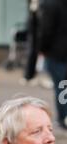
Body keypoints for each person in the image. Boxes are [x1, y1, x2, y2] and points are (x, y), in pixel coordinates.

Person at [38, 0, 67, 129]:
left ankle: (63, 117)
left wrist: (42, 48)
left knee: (61, 86)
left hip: (57, 52)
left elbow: (46, 30)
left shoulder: (49, 4)